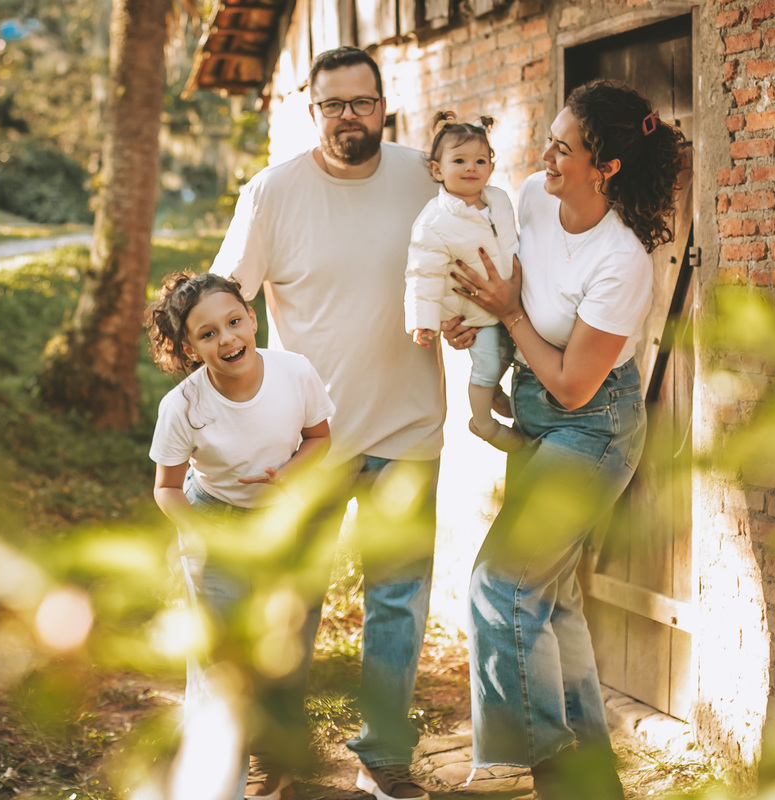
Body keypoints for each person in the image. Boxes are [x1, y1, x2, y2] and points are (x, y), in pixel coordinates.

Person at [208, 46, 444, 800]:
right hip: (307, 441)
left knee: (398, 604)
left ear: (384, 106)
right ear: (311, 112)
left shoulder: (426, 177)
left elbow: (474, 258)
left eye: (362, 102)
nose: (350, 117)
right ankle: (276, 754)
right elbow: (224, 303)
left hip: (408, 432)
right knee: (291, 601)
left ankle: (385, 755)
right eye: (333, 105)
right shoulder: (272, 193)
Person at [446, 80, 687, 800]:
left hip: (592, 427)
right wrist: (474, 320)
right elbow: (510, 288)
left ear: (605, 167)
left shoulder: (622, 260)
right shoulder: (530, 199)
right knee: (550, 600)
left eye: (562, 148)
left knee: (500, 585)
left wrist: (509, 315)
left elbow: (574, 385)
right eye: (549, 142)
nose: (544, 157)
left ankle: (518, 764)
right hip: (536, 414)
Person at [146, 271, 337, 800]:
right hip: (212, 522)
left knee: (276, 653)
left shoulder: (294, 371)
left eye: (234, 322)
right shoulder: (183, 406)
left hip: (278, 525)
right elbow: (167, 488)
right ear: (190, 348)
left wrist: (287, 474)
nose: (227, 339)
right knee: (220, 669)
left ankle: (271, 763)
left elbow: (318, 437)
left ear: (252, 318)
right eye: (208, 334)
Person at [403, 111, 521, 453]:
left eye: (480, 161)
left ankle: (498, 394)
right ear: (437, 170)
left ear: (491, 167)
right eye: (459, 160)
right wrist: (423, 321)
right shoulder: (433, 221)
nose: (471, 167)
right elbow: (422, 274)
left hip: (511, 303)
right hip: (473, 313)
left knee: (511, 356)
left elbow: (512, 244)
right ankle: (483, 423)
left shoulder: (499, 200)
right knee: (487, 364)